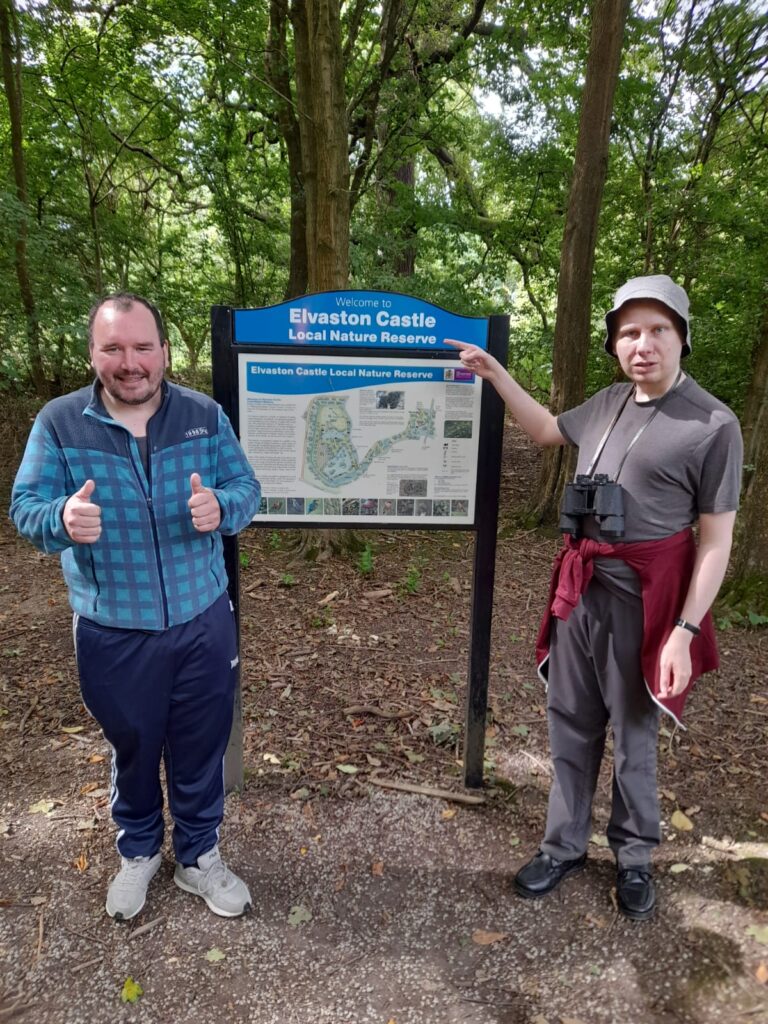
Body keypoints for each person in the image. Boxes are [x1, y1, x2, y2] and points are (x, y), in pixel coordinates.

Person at [448, 275, 742, 920]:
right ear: (615, 344)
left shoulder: (714, 423)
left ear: (681, 337)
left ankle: (635, 856)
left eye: (658, 330)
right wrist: (497, 375)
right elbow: (549, 432)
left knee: (635, 732)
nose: (644, 345)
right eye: (630, 332)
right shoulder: (608, 402)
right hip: (581, 590)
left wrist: (685, 632)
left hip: (648, 595)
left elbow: (715, 540)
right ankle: (563, 845)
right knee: (571, 722)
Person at [10, 293, 261, 921]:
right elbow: (25, 508)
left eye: (142, 347)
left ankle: (198, 857)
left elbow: (246, 487)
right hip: (112, 629)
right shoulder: (60, 422)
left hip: (203, 620)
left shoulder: (203, 415)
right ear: (93, 353)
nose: (130, 362)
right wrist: (61, 518)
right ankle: (140, 851)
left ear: (164, 352)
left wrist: (223, 510)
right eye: (114, 348)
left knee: (200, 745)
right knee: (134, 745)